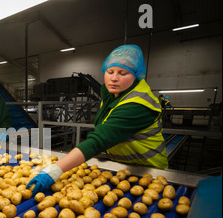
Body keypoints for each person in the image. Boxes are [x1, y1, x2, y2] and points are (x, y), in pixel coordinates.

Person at [28, 44, 168, 194]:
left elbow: (99, 140)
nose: (114, 78)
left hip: (149, 171)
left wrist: (55, 169)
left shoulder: (138, 104)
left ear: (135, 76)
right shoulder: (110, 93)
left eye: (123, 73)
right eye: (110, 71)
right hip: (121, 166)